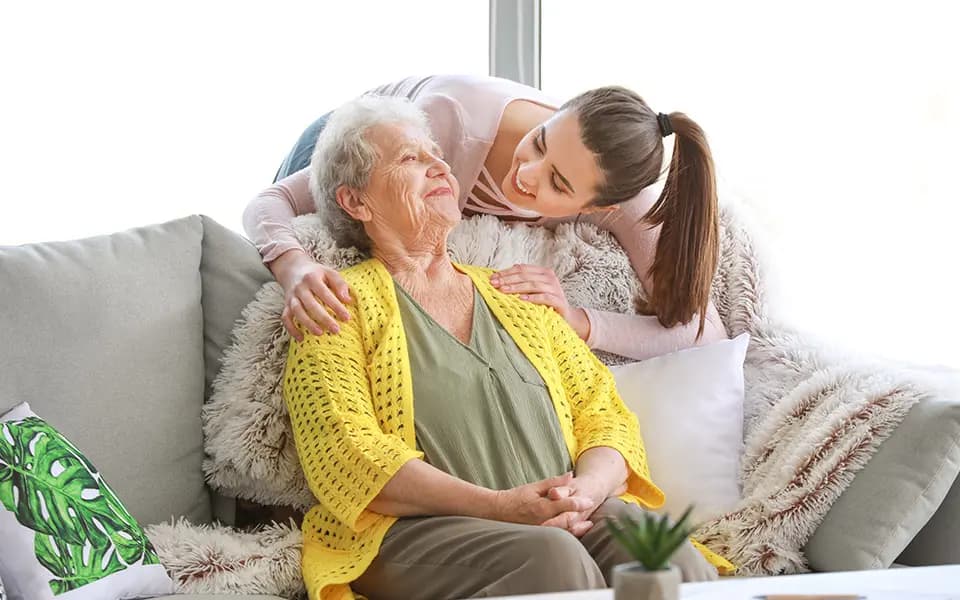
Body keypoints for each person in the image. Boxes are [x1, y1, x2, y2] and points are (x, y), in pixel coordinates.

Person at [282, 95, 733, 600]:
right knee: (551, 559)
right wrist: (500, 507)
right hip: (415, 532)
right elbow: (350, 458)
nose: (438, 164)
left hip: (563, 511)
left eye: (436, 152)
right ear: (356, 202)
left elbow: (603, 415)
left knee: (663, 553)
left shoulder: (515, 293)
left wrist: (586, 491)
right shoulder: (333, 307)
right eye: (410, 158)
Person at [247, 74, 727, 361]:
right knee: (269, 291)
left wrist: (578, 321)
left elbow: (702, 332)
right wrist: (296, 267)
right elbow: (267, 204)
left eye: (558, 183)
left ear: (600, 208)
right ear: (556, 114)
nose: (527, 173)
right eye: (539, 140)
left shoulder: (625, 201)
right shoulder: (447, 127)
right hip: (349, 141)